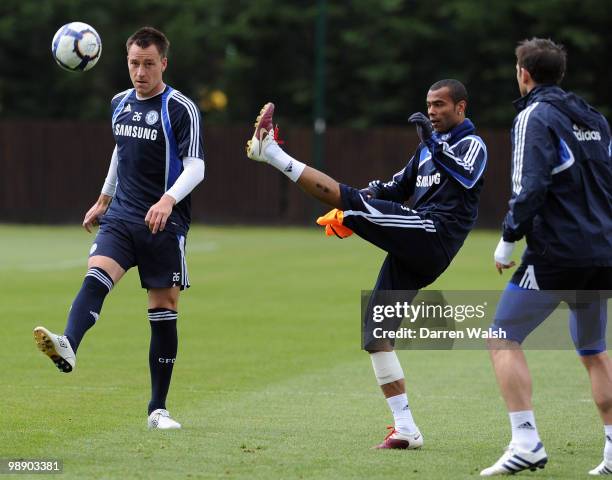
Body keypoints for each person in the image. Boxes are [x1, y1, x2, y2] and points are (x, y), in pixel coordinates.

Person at [246, 79, 487, 449]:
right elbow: (395, 187)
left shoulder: (472, 145)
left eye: (440, 105)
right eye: (429, 105)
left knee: (351, 203)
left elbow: (465, 174)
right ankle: (406, 428)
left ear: (461, 108)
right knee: (375, 334)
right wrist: (372, 192)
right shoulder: (426, 150)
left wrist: (431, 145)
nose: (433, 112)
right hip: (414, 245)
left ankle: (273, 154)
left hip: (434, 235)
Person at [33, 26, 205, 430]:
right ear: (125, 62)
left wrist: (168, 199)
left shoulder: (180, 108)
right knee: (96, 276)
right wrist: (104, 199)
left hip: (165, 221)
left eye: (148, 64)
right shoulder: (119, 104)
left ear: (163, 63)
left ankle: (157, 409)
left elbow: (196, 165)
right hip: (124, 215)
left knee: (163, 311)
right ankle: (69, 346)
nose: (140, 72)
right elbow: (120, 152)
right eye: (133, 63)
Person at [481, 38, 612, 476]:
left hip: (557, 254)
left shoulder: (534, 116)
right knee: (594, 350)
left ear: (523, 73)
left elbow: (529, 187)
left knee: (502, 338)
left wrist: (507, 240)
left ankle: (526, 441)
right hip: (603, 253)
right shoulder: (595, 118)